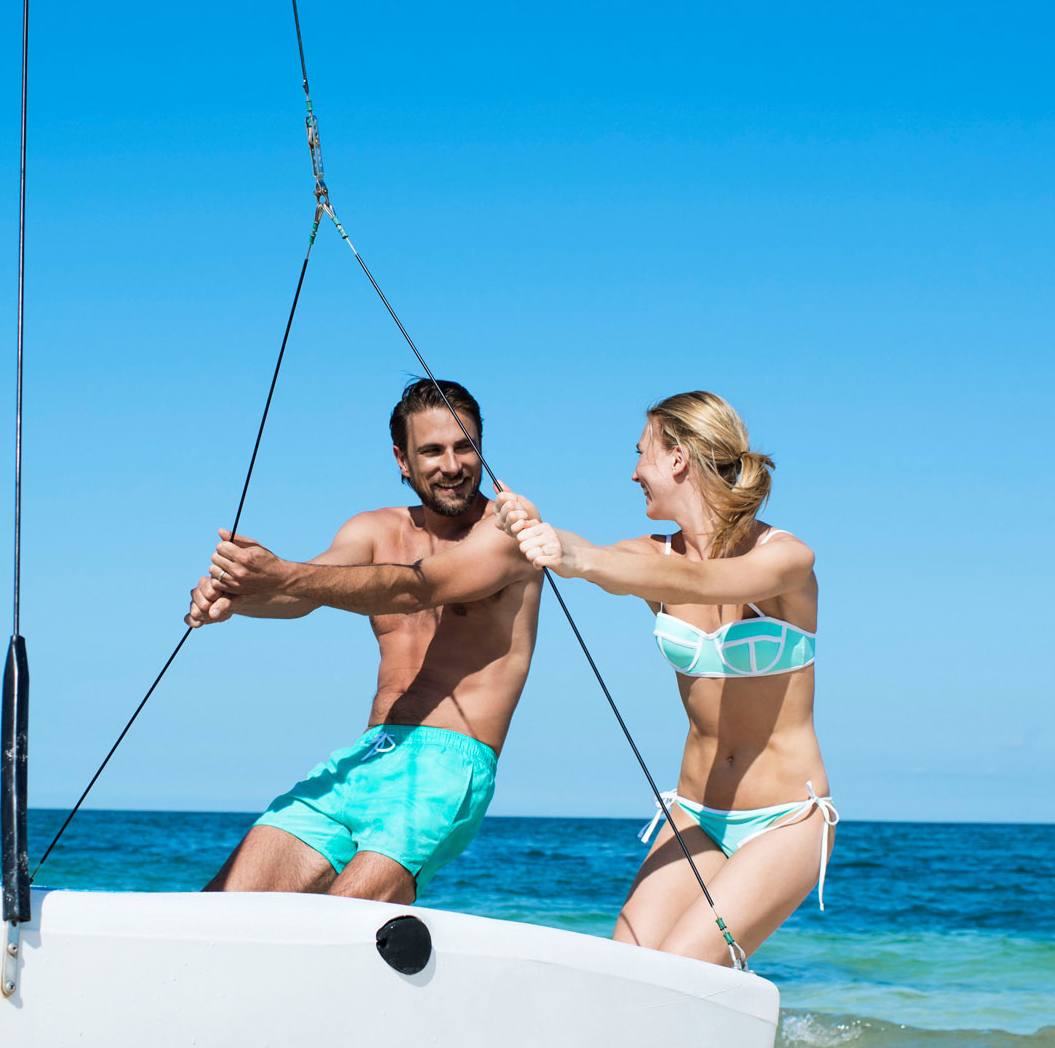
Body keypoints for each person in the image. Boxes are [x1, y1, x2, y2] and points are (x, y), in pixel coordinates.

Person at [494, 390, 835, 969]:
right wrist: (534, 524)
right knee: (622, 971)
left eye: (642, 454)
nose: (633, 473)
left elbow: (703, 583)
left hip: (785, 818)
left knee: (681, 971)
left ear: (678, 458)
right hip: (695, 812)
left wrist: (580, 561)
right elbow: (596, 555)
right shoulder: (650, 556)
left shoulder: (785, 558)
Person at [188, 378, 540, 905]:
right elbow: (309, 591)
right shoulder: (374, 529)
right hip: (366, 755)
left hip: (447, 765)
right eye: (432, 450)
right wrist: (235, 598)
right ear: (402, 460)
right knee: (217, 909)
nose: (452, 465)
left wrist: (279, 575)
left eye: (464, 446)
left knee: (337, 927)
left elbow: (415, 586)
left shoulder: (511, 526)